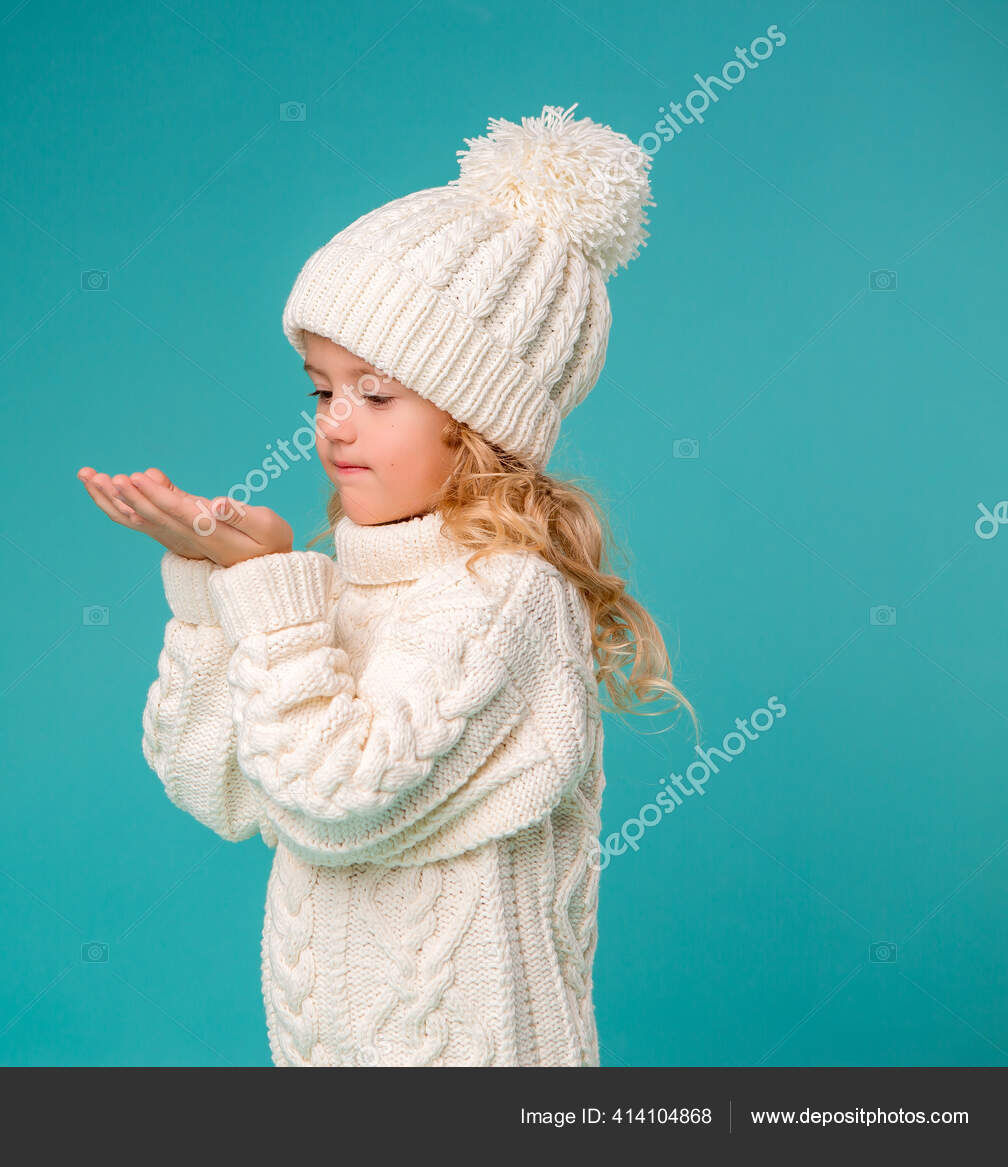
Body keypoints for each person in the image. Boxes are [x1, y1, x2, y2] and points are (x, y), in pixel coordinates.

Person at [77, 103, 696, 1067]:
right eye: (322, 390)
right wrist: (216, 588)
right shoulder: (331, 592)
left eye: (377, 392)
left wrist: (268, 588)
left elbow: (336, 797)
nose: (334, 423)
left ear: (478, 419)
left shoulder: (504, 596)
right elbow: (222, 787)